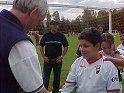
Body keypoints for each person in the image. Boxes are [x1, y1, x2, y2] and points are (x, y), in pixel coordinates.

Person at [0, 0, 49, 93]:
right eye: (39, 21)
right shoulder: (19, 42)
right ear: (34, 13)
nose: (35, 26)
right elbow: (38, 91)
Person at [61, 27, 120, 93]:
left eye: (86, 46)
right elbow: (67, 87)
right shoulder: (77, 63)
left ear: (97, 46)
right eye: (80, 46)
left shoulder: (109, 66)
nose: (82, 50)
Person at [39, 20, 69, 93]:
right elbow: (40, 46)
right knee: (45, 79)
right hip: (47, 61)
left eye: (56, 25)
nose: (55, 26)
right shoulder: (46, 36)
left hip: (57, 61)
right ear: (50, 26)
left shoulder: (61, 36)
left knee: (57, 78)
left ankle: (55, 91)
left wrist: (62, 56)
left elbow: (66, 47)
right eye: (53, 25)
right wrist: (44, 57)